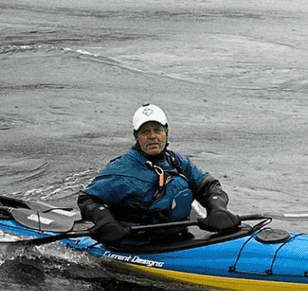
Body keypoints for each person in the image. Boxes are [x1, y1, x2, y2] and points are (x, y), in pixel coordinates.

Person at [77, 103, 240, 246]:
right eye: (145, 132)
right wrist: (105, 222)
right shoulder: (122, 170)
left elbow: (208, 185)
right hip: (137, 245)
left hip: (179, 238)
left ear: (166, 132)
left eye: (157, 130)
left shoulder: (177, 161)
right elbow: (87, 199)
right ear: (136, 137)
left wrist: (217, 209)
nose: (153, 136)